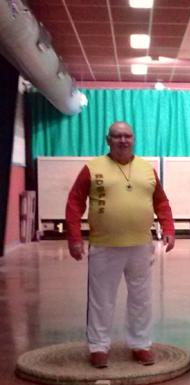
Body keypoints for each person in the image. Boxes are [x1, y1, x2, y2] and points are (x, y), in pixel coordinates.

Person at [65, 121, 175, 368]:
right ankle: (98, 346)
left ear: (133, 139)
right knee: (101, 299)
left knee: (141, 298)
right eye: (117, 136)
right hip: (104, 246)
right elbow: (74, 202)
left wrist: (168, 228)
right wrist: (74, 237)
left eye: (127, 136)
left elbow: (161, 202)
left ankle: (141, 344)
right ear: (108, 140)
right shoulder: (92, 168)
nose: (123, 140)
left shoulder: (147, 169)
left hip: (140, 246)